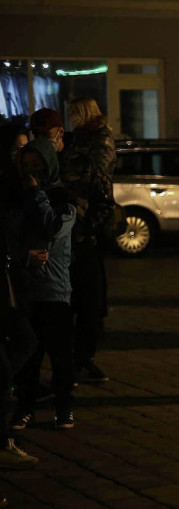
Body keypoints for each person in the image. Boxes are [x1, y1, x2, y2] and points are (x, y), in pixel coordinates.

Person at [7, 138, 78, 429]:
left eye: (37, 165)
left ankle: (64, 407)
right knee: (29, 356)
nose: (31, 172)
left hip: (55, 291)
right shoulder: (15, 200)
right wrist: (24, 257)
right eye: (26, 166)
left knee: (61, 355)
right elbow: (11, 239)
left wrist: (36, 193)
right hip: (25, 289)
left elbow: (52, 226)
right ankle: (25, 407)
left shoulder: (63, 200)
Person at [62, 97, 116, 384]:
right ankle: (76, 357)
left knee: (90, 298)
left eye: (74, 112)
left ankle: (83, 357)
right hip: (75, 220)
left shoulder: (99, 140)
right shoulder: (78, 138)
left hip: (86, 222)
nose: (71, 117)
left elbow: (97, 179)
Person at [0, 126, 39, 467]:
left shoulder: (18, 184)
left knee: (24, 342)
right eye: (16, 149)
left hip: (11, 280)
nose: (21, 156)